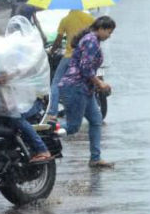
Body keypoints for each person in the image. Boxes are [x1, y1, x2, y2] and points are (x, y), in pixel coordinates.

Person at [58, 16, 115, 168]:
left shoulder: (91, 39)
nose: (109, 36)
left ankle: (95, 158)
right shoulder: (91, 41)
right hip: (76, 87)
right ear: (101, 29)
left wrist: (96, 84)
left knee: (96, 121)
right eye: (109, 32)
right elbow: (85, 68)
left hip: (85, 89)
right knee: (73, 126)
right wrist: (100, 83)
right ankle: (44, 135)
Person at [46, 9, 95, 120]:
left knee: (56, 83)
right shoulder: (90, 19)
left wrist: (52, 51)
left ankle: (53, 112)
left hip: (69, 56)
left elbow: (58, 41)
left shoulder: (65, 20)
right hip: (86, 57)